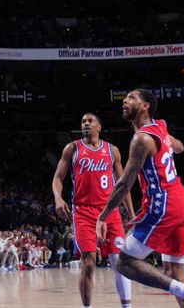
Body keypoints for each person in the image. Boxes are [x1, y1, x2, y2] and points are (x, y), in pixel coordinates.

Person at [96, 89, 184, 308]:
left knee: (124, 262)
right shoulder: (160, 126)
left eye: (132, 98)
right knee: (173, 271)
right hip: (183, 201)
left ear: (146, 105)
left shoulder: (141, 139)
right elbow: (180, 147)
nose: (125, 101)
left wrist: (103, 216)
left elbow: (124, 183)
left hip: (164, 203)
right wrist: (167, 145)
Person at [53, 112, 134, 308]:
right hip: (83, 212)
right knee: (89, 263)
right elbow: (57, 178)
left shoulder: (112, 150)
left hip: (109, 212)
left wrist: (132, 215)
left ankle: (127, 306)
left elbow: (123, 185)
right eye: (83, 121)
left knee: (120, 263)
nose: (86, 124)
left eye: (90, 121)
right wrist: (58, 198)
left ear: (99, 126)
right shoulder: (72, 149)